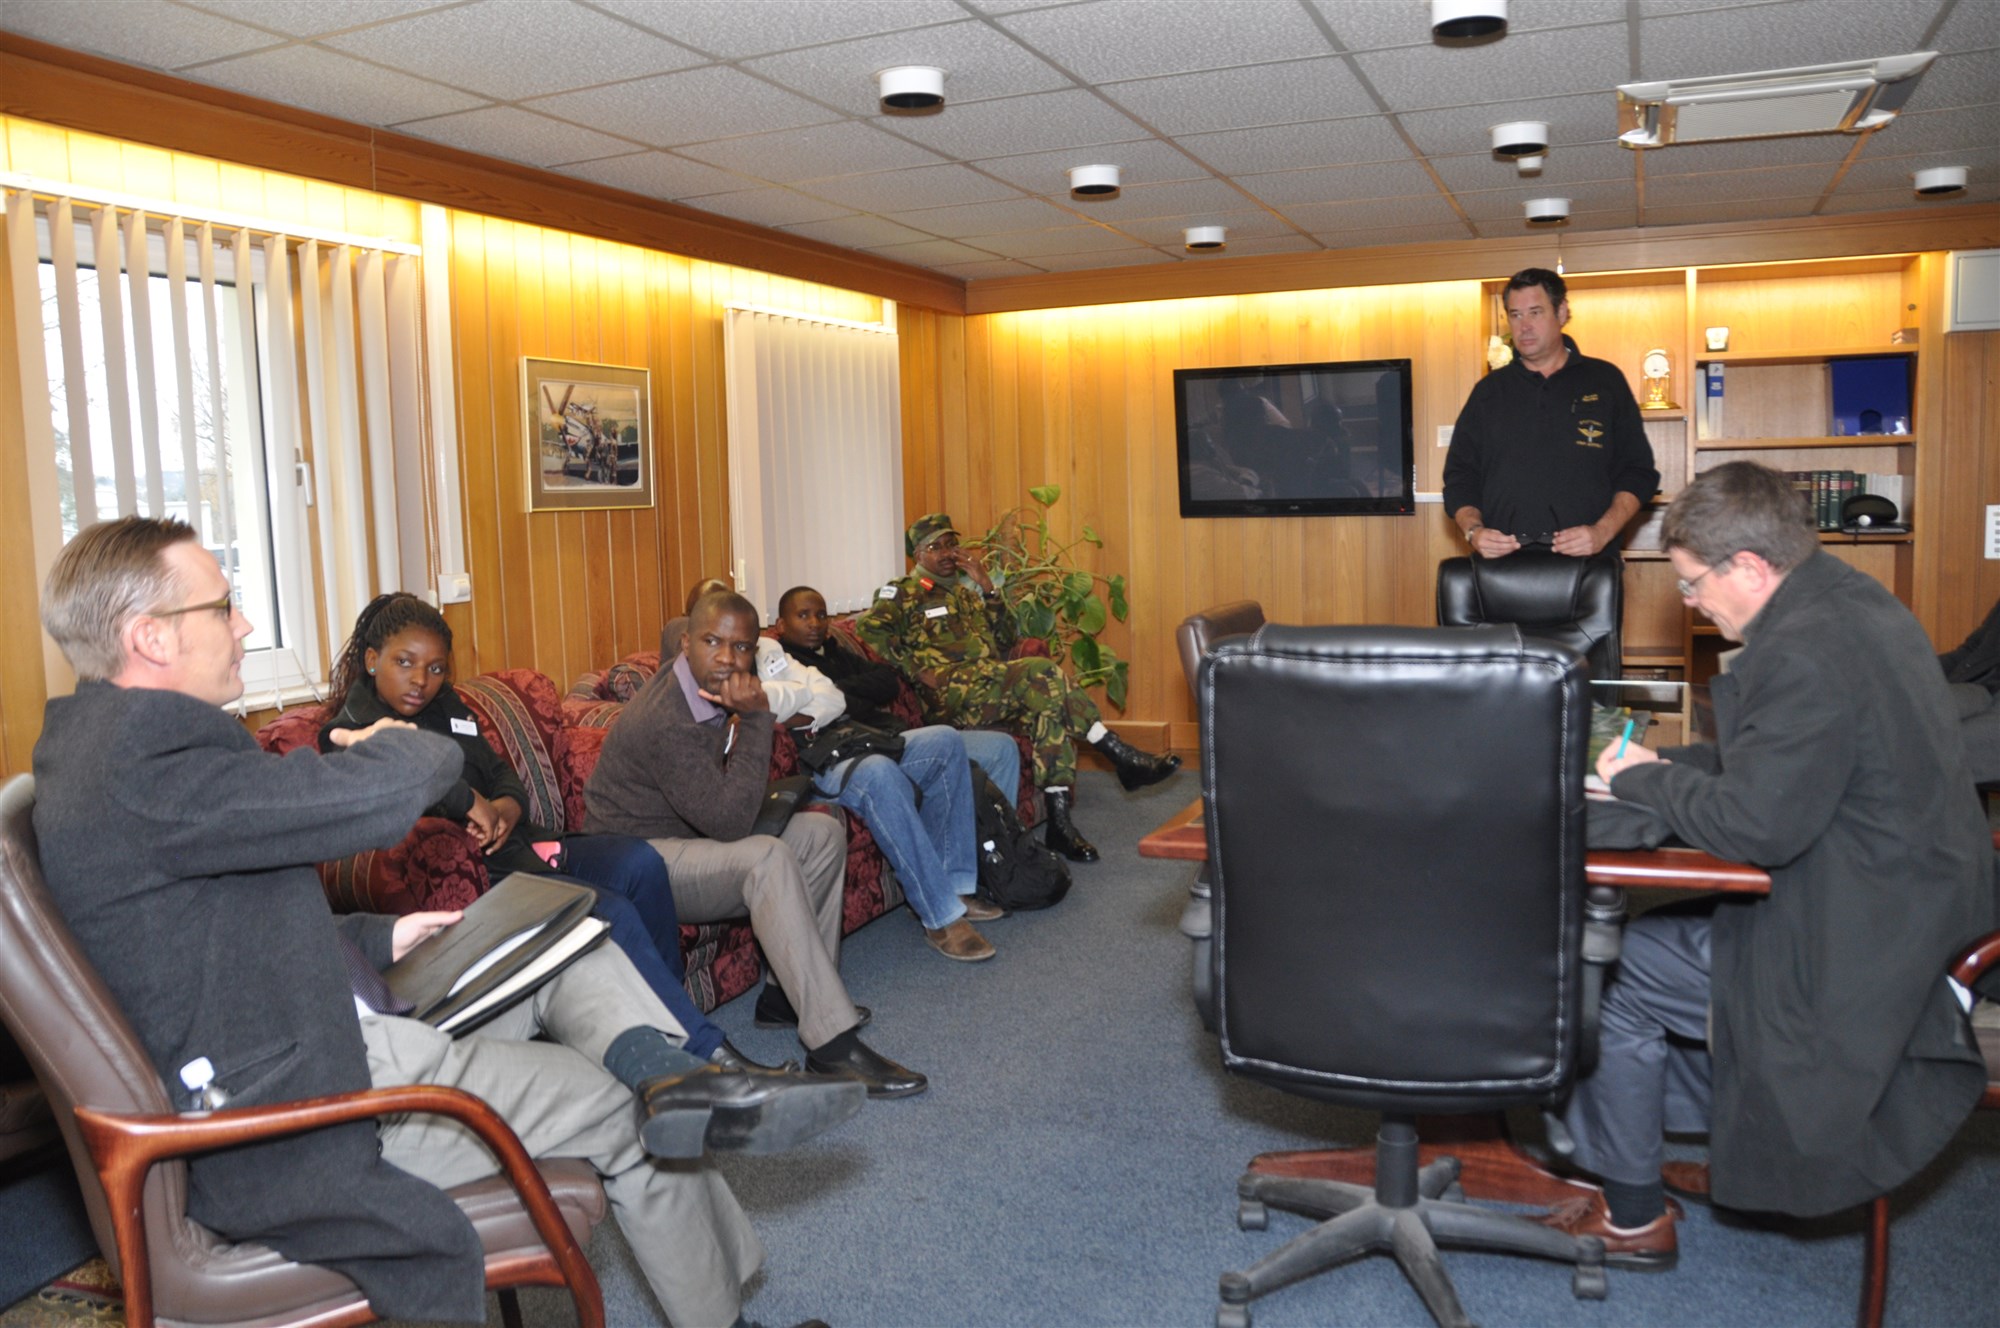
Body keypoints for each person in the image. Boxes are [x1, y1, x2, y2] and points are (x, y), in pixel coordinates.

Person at [31, 517, 862, 1327]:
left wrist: (374, 936)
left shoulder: (117, 756)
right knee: (615, 1109)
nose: (244, 623)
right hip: (312, 1106)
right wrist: (393, 741)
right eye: (221, 607)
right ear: (151, 637)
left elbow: (210, 926)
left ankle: (673, 1070)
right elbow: (416, 771)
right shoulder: (152, 771)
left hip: (326, 1019)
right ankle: (668, 1130)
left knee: (566, 933)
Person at [1549, 463, 1992, 1267]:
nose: (1690, 603)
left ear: (1749, 568)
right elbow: (1784, 766)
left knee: (1613, 969)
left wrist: (1639, 778)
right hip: (1910, 901)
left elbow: (1757, 825)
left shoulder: (1806, 654)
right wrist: (1660, 765)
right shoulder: (1851, 604)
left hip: (1871, 948)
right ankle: (1672, 1134)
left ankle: (1632, 1213)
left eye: (1690, 585)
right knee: (1649, 930)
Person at [318, 591, 784, 1070]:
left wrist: (504, 807)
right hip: (485, 874)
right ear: (373, 661)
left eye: (436, 669)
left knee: (641, 863)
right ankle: (705, 1052)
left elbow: (503, 776)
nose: (421, 681)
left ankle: (668, 1023)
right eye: (406, 663)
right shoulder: (347, 731)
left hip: (526, 843)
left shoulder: (447, 707)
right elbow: (398, 784)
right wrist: (466, 801)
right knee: (609, 910)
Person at [584, 591, 928, 1097]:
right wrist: (760, 718)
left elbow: (723, 808)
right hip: (640, 861)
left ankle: (786, 998)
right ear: (685, 643)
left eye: (741, 647)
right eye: (711, 641)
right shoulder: (665, 718)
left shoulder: (711, 688)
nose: (727, 658)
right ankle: (832, 1046)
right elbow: (729, 823)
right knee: (766, 858)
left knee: (821, 831)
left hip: (689, 837)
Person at [855, 514, 1181, 864]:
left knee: (1050, 706)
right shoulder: (903, 592)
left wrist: (987, 587)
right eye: (936, 547)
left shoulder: (966, 594)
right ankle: (1118, 753)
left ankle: (1059, 823)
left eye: (952, 543)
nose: (948, 553)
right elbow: (869, 628)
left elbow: (1008, 639)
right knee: (1042, 673)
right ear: (918, 555)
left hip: (991, 685)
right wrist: (916, 669)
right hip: (950, 692)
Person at [772, 585, 1010, 962]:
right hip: (824, 763)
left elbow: (880, 683)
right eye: (803, 616)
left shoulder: (829, 653)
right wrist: (829, 700)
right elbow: (789, 707)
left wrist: (830, 696)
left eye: (821, 614)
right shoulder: (774, 657)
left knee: (947, 741)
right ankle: (940, 917)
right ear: (779, 624)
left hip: (870, 740)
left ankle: (955, 887)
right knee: (881, 773)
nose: (815, 623)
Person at [1442, 267, 1659, 559]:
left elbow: (1638, 473)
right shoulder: (1488, 392)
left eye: (1535, 312)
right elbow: (1460, 478)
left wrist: (1602, 533)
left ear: (1561, 312)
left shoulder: (1606, 381)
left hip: (1589, 565)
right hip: (1502, 569)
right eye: (1515, 315)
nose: (1524, 326)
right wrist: (1473, 531)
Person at [1937, 594, 2000, 784]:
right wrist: (1912, 671)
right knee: (1895, 707)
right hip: (1978, 689)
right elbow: (1970, 650)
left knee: (1929, 745)